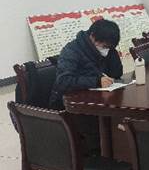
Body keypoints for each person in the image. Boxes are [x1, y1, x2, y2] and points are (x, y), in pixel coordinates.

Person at [49, 19, 123, 154]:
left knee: (119, 121)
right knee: (107, 127)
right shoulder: (71, 51)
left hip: (97, 99)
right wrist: (96, 81)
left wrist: (112, 52)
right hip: (71, 106)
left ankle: (118, 152)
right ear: (92, 36)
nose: (106, 50)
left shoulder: (106, 50)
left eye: (110, 47)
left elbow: (117, 72)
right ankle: (101, 156)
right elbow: (63, 81)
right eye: (105, 46)